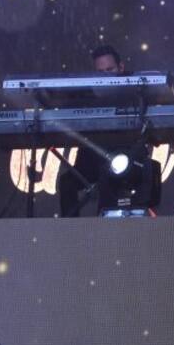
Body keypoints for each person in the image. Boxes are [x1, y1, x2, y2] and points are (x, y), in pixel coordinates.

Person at [59, 44, 125, 216]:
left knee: (107, 174)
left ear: (121, 67)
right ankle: (70, 234)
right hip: (90, 161)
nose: (106, 77)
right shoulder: (85, 96)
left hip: (123, 160)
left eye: (110, 70)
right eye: (100, 72)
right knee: (67, 182)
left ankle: (103, 231)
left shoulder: (131, 95)